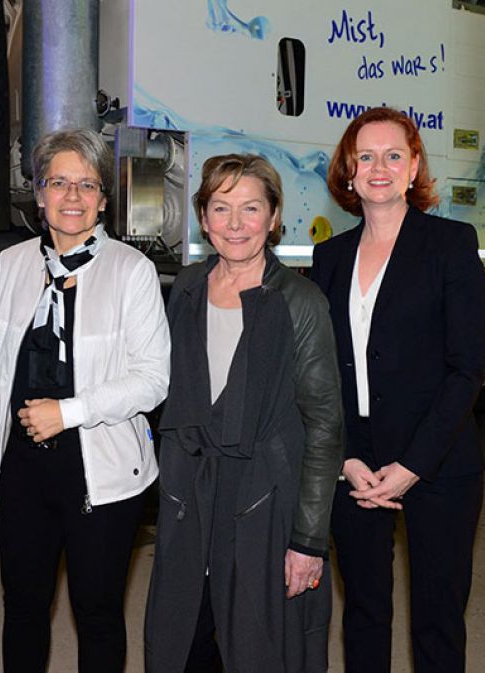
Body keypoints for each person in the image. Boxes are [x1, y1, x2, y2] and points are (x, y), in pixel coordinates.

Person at [0, 128, 170, 673]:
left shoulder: (132, 270)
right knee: (23, 609)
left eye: (87, 184)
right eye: (58, 182)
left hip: (101, 469)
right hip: (21, 468)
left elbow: (153, 379)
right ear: (38, 194)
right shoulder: (12, 263)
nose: (73, 196)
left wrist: (69, 412)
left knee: (98, 612)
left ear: (104, 199)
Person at [145, 153, 344, 673]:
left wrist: (308, 540)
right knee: (185, 636)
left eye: (251, 208)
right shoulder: (186, 287)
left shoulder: (300, 302)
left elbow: (324, 427)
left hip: (265, 499)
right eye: (221, 208)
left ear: (274, 217)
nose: (235, 224)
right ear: (203, 217)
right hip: (190, 492)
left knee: (258, 645)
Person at [310, 107, 485, 672]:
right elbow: (319, 373)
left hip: (437, 461)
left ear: (414, 168)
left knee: (437, 620)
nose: (379, 167)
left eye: (394, 155)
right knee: (364, 612)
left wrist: (413, 463)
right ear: (348, 170)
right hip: (357, 464)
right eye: (366, 156)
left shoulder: (452, 244)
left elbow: (468, 368)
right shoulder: (329, 258)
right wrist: (344, 459)